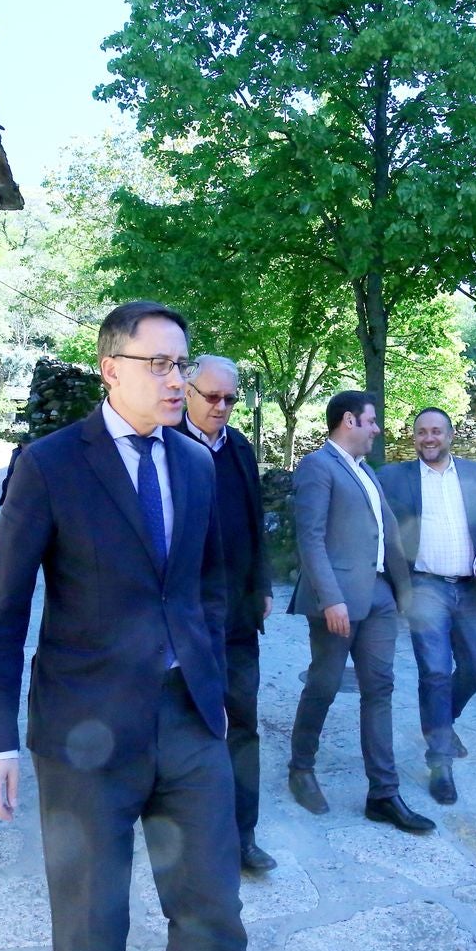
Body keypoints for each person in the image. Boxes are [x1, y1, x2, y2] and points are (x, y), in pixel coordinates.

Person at [0, 301, 247, 951]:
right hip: (84, 736)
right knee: (93, 935)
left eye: (181, 362)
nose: (176, 379)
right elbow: (3, 608)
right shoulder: (51, 463)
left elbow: (205, 585)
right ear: (109, 368)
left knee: (214, 918)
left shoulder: (193, 460)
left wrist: (211, 683)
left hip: (188, 723)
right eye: (158, 363)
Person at [286, 390, 434, 833]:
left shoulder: (366, 471)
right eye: (371, 421)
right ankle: (300, 767)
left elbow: (387, 536)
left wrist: (403, 594)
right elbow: (310, 538)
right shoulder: (317, 466)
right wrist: (331, 598)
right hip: (338, 601)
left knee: (380, 688)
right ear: (349, 421)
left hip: (380, 597)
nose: (377, 429)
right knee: (325, 684)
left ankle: (383, 793)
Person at [177, 354, 277, 872]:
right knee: (189, 726)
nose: (221, 407)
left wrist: (260, 585)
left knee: (243, 723)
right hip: (183, 619)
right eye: (211, 396)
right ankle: (194, 838)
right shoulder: (163, 443)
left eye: (230, 399)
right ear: (187, 391)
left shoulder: (238, 446)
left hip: (237, 617)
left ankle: (243, 835)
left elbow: (254, 523)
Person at [378, 407, 476, 805]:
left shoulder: (475, 474)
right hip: (425, 587)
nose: (428, 438)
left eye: (436, 432)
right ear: (413, 437)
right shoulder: (394, 478)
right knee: (434, 671)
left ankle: (443, 725)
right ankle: (440, 764)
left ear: (450, 435)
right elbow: (376, 524)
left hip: (469, 589)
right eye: (421, 433)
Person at [0, 433, 29, 506]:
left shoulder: (30, 453)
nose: (26, 445)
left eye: (28, 443)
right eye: (25, 443)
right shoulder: (17, 453)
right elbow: (11, 469)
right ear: (21, 443)